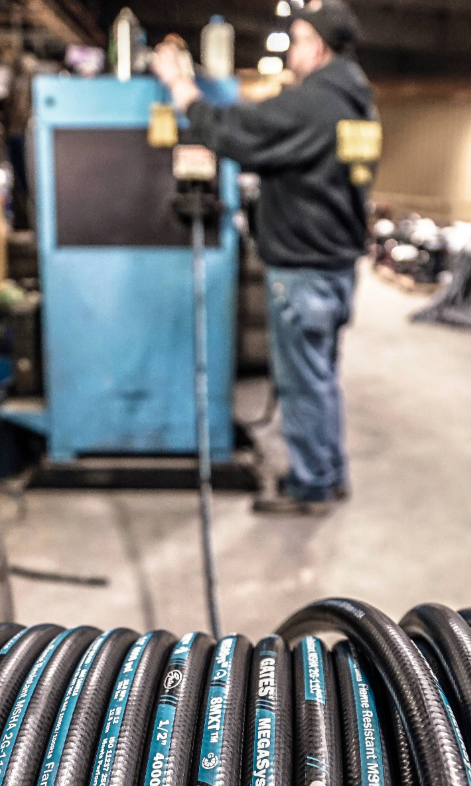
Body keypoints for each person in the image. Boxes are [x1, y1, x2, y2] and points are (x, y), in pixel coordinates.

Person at [153, 0, 380, 515]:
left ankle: (311, 486)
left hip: (304, 268)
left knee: (303, 383)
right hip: (335, 266)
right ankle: (329, 472)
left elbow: (239, 132)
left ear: (317, 46)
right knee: (320, 377)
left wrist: (180, 88)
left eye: (297, 39)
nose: (292, 49)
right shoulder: (357, 98)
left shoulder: (317, 101)